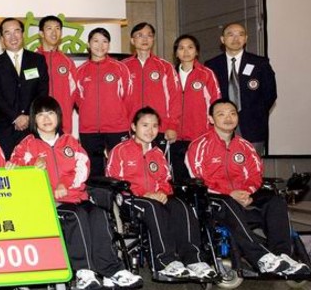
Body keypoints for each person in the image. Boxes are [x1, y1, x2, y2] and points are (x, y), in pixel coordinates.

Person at [7, 96, 143, 290]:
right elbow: (17, 174)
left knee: (99, 213)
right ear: (33, 119)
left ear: (59, 117)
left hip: (75, 195)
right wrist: (30, 166)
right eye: (41, 114)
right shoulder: (27, 145)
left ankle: (112, 270)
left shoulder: (70, 142)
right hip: (48, 201)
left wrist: (65, 185)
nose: (46, 118)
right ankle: (84, 271)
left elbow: (83, 166)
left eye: (51, 113)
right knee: (76, 216)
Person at [186, 99, 309, 275]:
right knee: (228, 201)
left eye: (232, 114)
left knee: (275, 200)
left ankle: (283, 255)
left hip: (243, 198)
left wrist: (248, 192)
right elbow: (199, 178)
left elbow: (255, 174)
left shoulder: (245, 146)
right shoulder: (199, 146)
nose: (228, 118)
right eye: (221, 114)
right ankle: (261, 258)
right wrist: (230, 193)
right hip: (214, 202)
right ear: (211, 119)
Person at [107, 107, 216, 279]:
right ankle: (165, 261)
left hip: (155, 197)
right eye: (145, 125)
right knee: (153, 208)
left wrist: (162, 192)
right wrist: (144, 193)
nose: (150, 131)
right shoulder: (120, 150)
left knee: (181, 206)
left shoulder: (157, 153)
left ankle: (194, 259)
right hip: (129, 199)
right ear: (134, 127)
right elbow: (115, 180)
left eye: (155, 126)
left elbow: (165, 179)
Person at [204, 23, 277, 155]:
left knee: (252, 169)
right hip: (220, 127)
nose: (236, 38)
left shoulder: (260, 63)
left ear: (246, 38)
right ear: (222, 39)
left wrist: (254, 113)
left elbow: (270, 94)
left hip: (253, 126)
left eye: (240, 34)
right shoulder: (211, 65)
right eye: (230, 34)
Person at [0, 17, 49, 159]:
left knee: (35, 169)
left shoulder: (38, 60)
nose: (13, 37)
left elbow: (43, 92)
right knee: (8, 171)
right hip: (6, 128)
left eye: (17, 31)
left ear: (23, 34)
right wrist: (15, 117)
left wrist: (28, 117)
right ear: (2, 38)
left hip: (33, 126)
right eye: (7, 33)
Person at [74, 28, 131, 178]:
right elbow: (78, 100)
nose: (100, 45)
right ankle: (97, 200)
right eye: (96, 41)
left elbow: (128, 97)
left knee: (120, 168)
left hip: (117, 128)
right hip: (89, 130)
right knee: (93, 170)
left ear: (109, 45)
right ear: (88, 44)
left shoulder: (120, 68)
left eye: (105, 41)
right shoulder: (80, 71)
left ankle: (121, 199)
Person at [121, 22, 182, 150]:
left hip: (159, 128)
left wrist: (172, 126)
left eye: (149, 35)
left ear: (153, 39)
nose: (145, 39)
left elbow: (175, 99)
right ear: (132, 40)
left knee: (157, 167)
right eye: (140, 35)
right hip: (129, 128)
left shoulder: (166, 67)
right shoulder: (122, 67)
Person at [168, 35, 221, 181]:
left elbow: (216, 104)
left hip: (200, 135)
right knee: (177, 178)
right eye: (181, 48)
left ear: (197, 51)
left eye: (190, 47)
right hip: (174, 136)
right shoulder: (169, 74)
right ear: (176, 53)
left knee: (199, 177)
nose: (186, 52)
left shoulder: (206, 74)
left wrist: (211, 130)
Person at [37, 15, 78, 134]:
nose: (54, 32)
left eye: (58, 28)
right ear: (41, 33)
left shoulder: (67, 62)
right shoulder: (32, 60)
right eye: (49, 28)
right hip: (40, 122)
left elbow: (75, 93)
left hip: (63, 123)